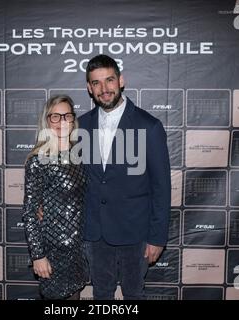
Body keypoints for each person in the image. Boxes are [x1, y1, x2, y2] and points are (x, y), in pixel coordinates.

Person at [79, 54, 171, 300]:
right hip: (95, 232)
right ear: (89, 88)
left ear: (121, 80)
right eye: (96, 83)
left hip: (136, 233)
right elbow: (71, 176)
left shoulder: (148, 126)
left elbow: (161, 186)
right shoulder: (81, 126)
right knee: (101, 295)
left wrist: (157, 237)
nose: (104, 89)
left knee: (134, 295)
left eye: (109, 80)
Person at [22, 95, 88, 300]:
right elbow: (30, 212)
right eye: (55, 117)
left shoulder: (79, 155)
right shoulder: (38, 160)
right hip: (53, 252)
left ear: (73, 120)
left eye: (67, 116)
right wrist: (38, 256)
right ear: (47, 120)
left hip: (77, 250)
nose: (62, 122)